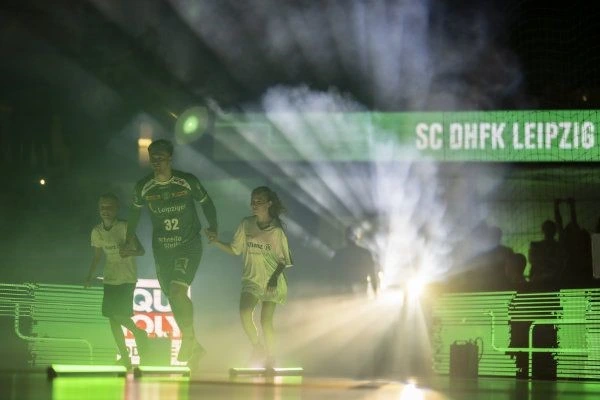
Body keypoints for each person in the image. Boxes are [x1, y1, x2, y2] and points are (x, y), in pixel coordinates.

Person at [125, 139, 218, 365]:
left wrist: (213, 227)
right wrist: (128, 239)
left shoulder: (186, 181)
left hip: (188, 244)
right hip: (162, 250)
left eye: (161, 158)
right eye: (153, 158)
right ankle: (195, 346)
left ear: (170, 159)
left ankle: (188, 338)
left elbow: (207, 203)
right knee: (174, 299)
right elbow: (134, 214)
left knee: (177, 291)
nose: (156, 162)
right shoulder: (143, 186)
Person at [208, 186, 292, 367]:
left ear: (269, 204)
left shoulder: (276, 231)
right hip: (251, 279)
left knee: (265, 322)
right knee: (245, 313)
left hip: (272, 282)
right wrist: (216, 242)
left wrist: (274, 278)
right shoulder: (246, 224)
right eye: (253, 201)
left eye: (259, 201)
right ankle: (257, 346)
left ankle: (271, 357)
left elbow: (284, 260)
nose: (254, 204)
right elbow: (234, 249)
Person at [84, 193, 149, 369]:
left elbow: (141, 251)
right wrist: (89, 276)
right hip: (110, 278)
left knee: (119, 315)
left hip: (127, 277)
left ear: (117, 209)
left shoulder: (125, 227)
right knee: (111, 319)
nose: (105, 210)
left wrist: (128, 252)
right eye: (102, 207)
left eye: (109, 207)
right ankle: (125, 357)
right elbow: (97, 256)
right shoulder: (97, 231)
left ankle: (139, 333)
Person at [330, 226, 379, 296]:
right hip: (361, 286)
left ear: (345, 238)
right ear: (357, 238)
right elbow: (372, 272)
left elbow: (333, 273)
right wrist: (375, 289)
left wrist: (333, 290)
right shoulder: (365, 253)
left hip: (344, 288)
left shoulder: (339, 253)